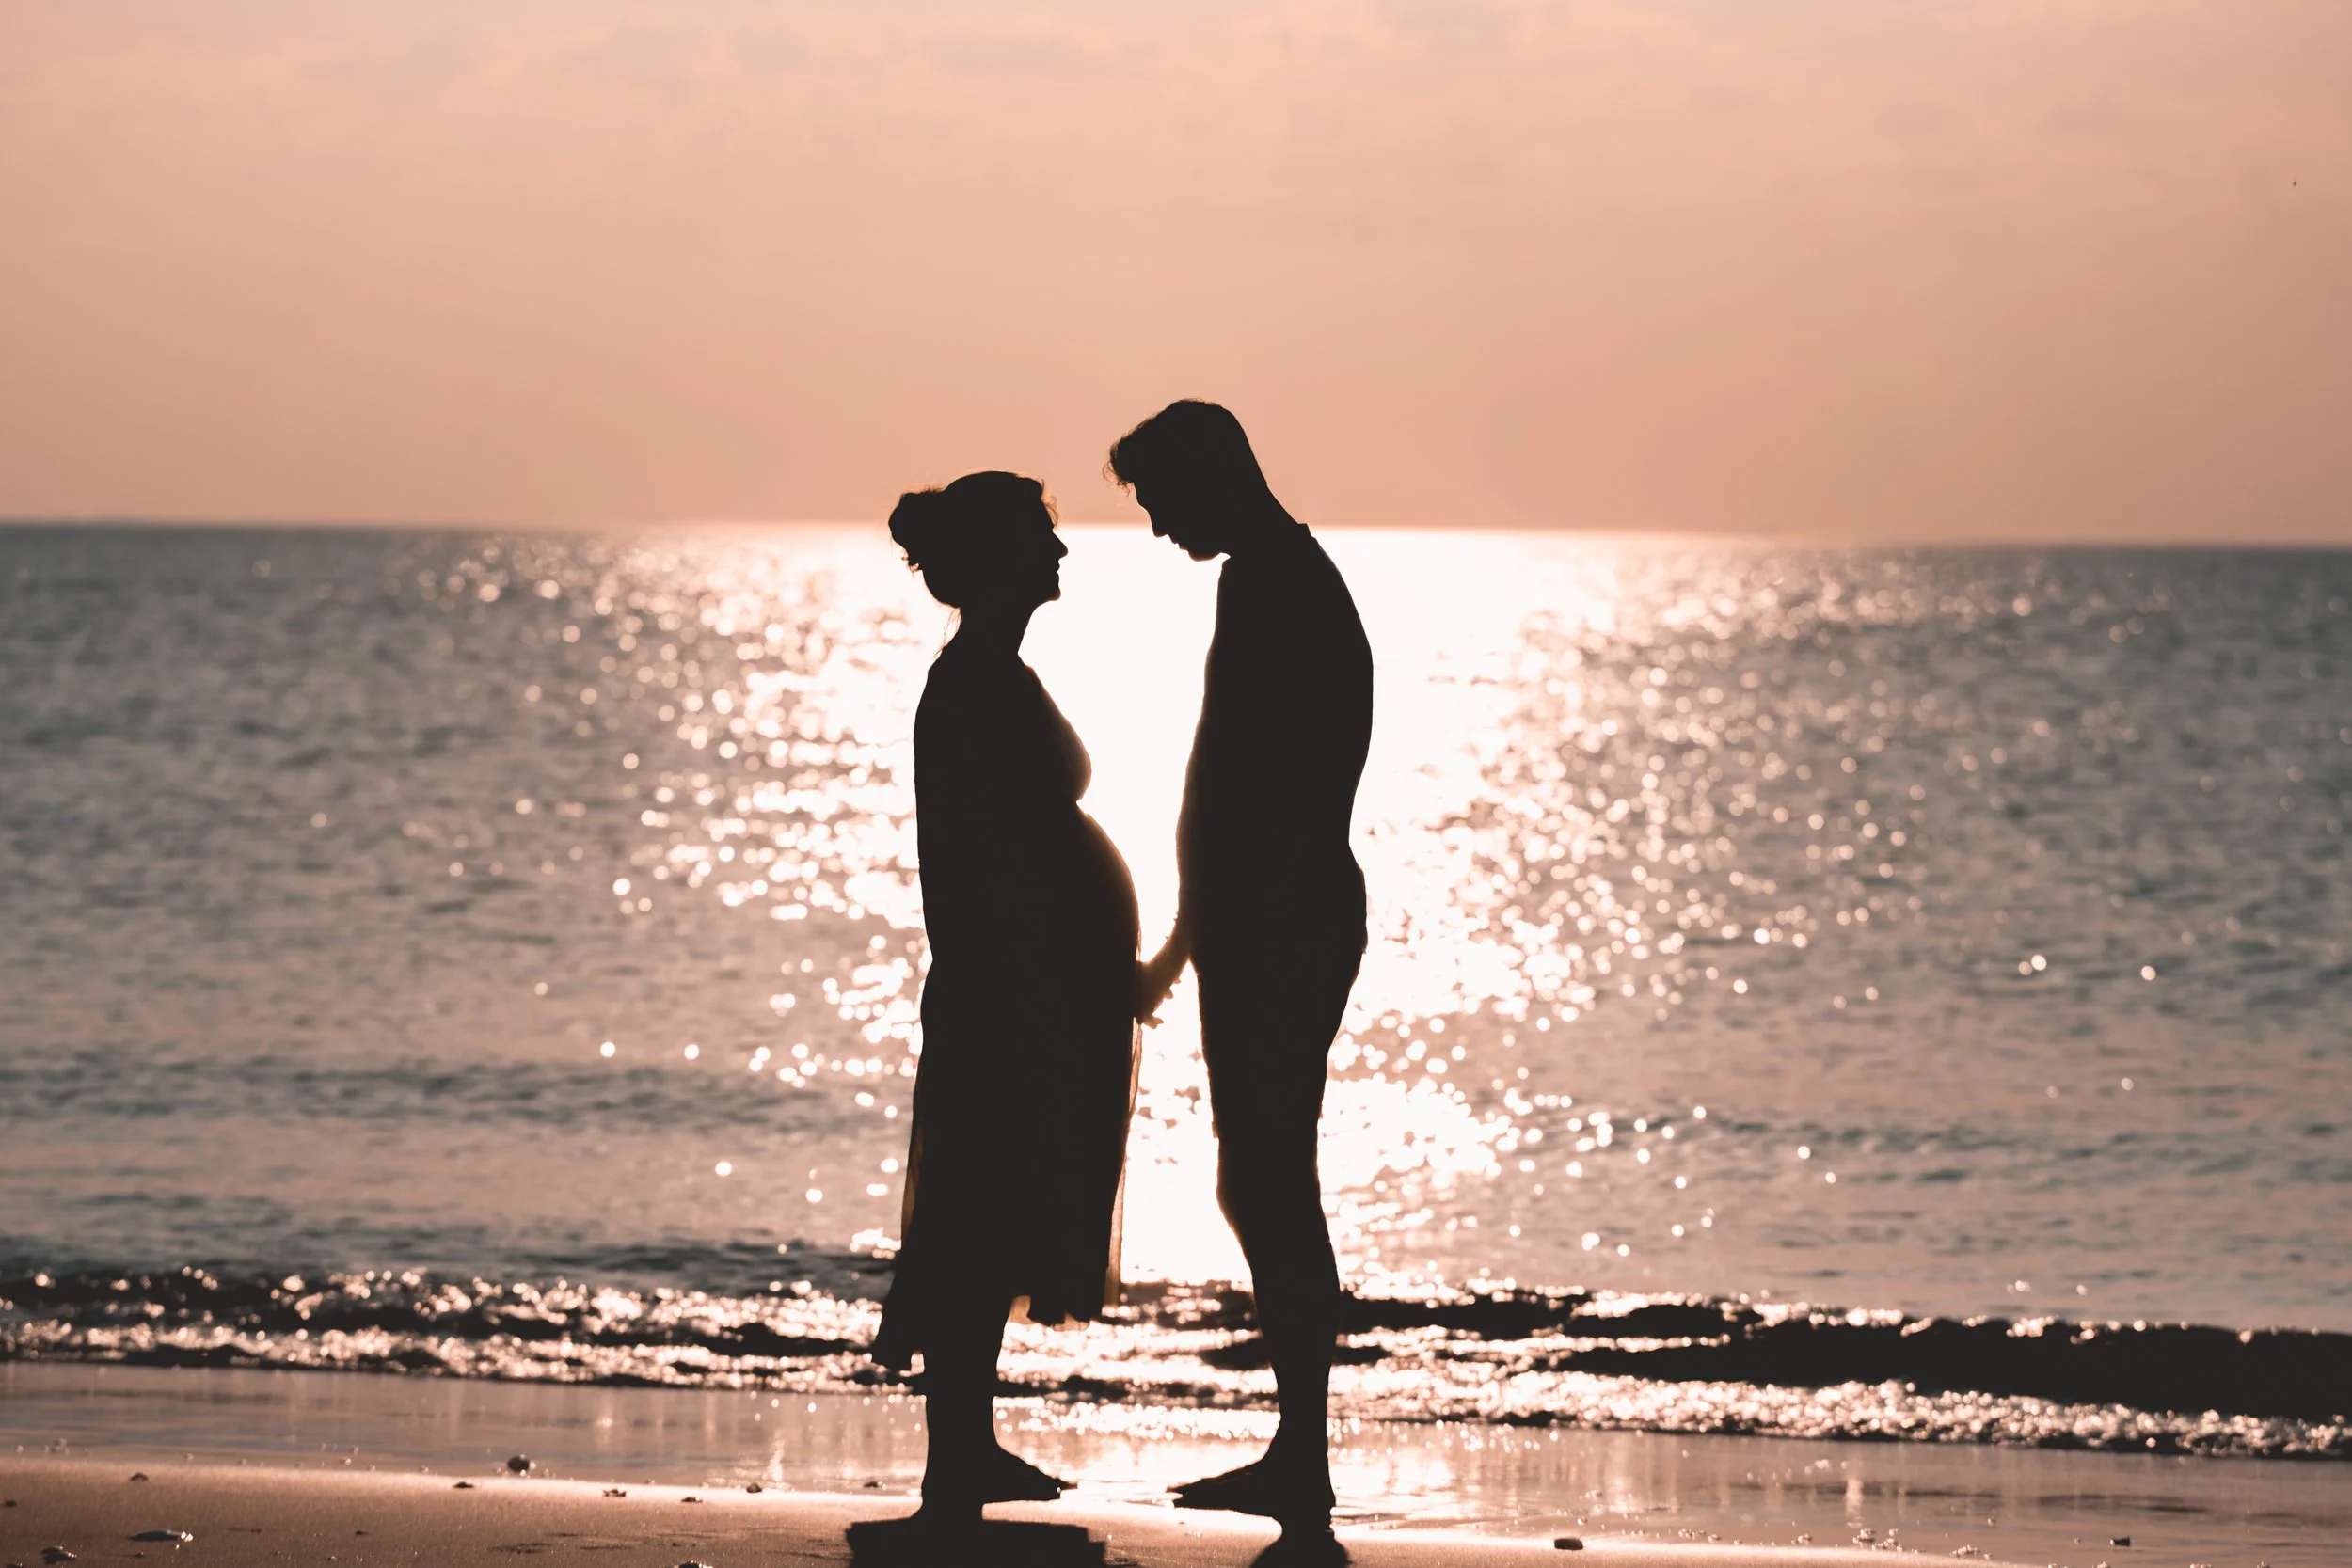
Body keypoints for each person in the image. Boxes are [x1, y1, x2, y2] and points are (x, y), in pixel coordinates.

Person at [1116, 402, 1375, 1528]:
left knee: (1266, 1175)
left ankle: (1303, 1452)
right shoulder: (1285, 572)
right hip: (1277, 911)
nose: (1159, 526)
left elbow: (1233, 778)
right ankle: (1297, 1444)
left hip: (1279, 917)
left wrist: (1182, 939)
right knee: (1263, 1172)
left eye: (1161, 500)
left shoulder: (1274, 580)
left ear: (1207, 477)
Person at [869, 471, 1143, 1524]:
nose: (1062, 556)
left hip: (1030, 988)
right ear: (1001, 561)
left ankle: (968, 1448)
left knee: (988, 1210)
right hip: (1010, 993)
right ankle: (957, 1459)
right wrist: (1034, 984)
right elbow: (981, 863)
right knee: (979, 1215)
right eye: (1043, 540)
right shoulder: (975, 681)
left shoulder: (989, 672)